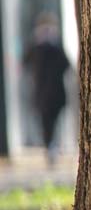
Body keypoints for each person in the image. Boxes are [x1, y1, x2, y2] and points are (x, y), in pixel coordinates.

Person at [22, 13, 71, 165]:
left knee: (50, 121)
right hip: (47, 93)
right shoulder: (39, 46)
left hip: (49, 93)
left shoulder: (49, 46)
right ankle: (51, 146)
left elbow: (65, 65)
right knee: (47, 122)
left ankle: (51, 146)